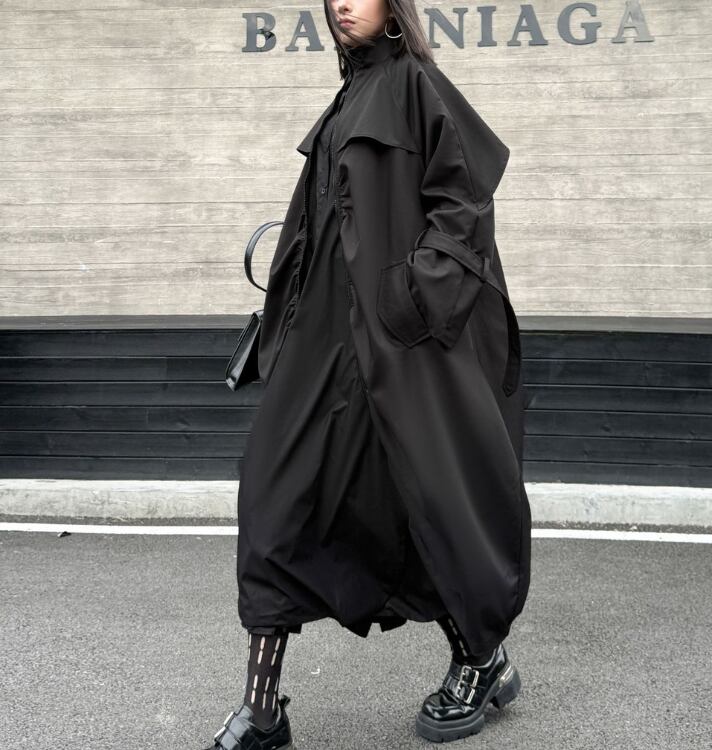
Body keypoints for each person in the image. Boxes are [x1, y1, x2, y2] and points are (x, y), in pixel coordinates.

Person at [204, 1, 531, 747]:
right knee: (273, 496)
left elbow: (464, 205)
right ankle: (263, 709)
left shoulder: (417, 84)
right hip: (323, 354)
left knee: (429, 504)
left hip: (399, 350)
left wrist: (410, 300)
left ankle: (481, 659)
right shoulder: (348, 96)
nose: (341, 3)